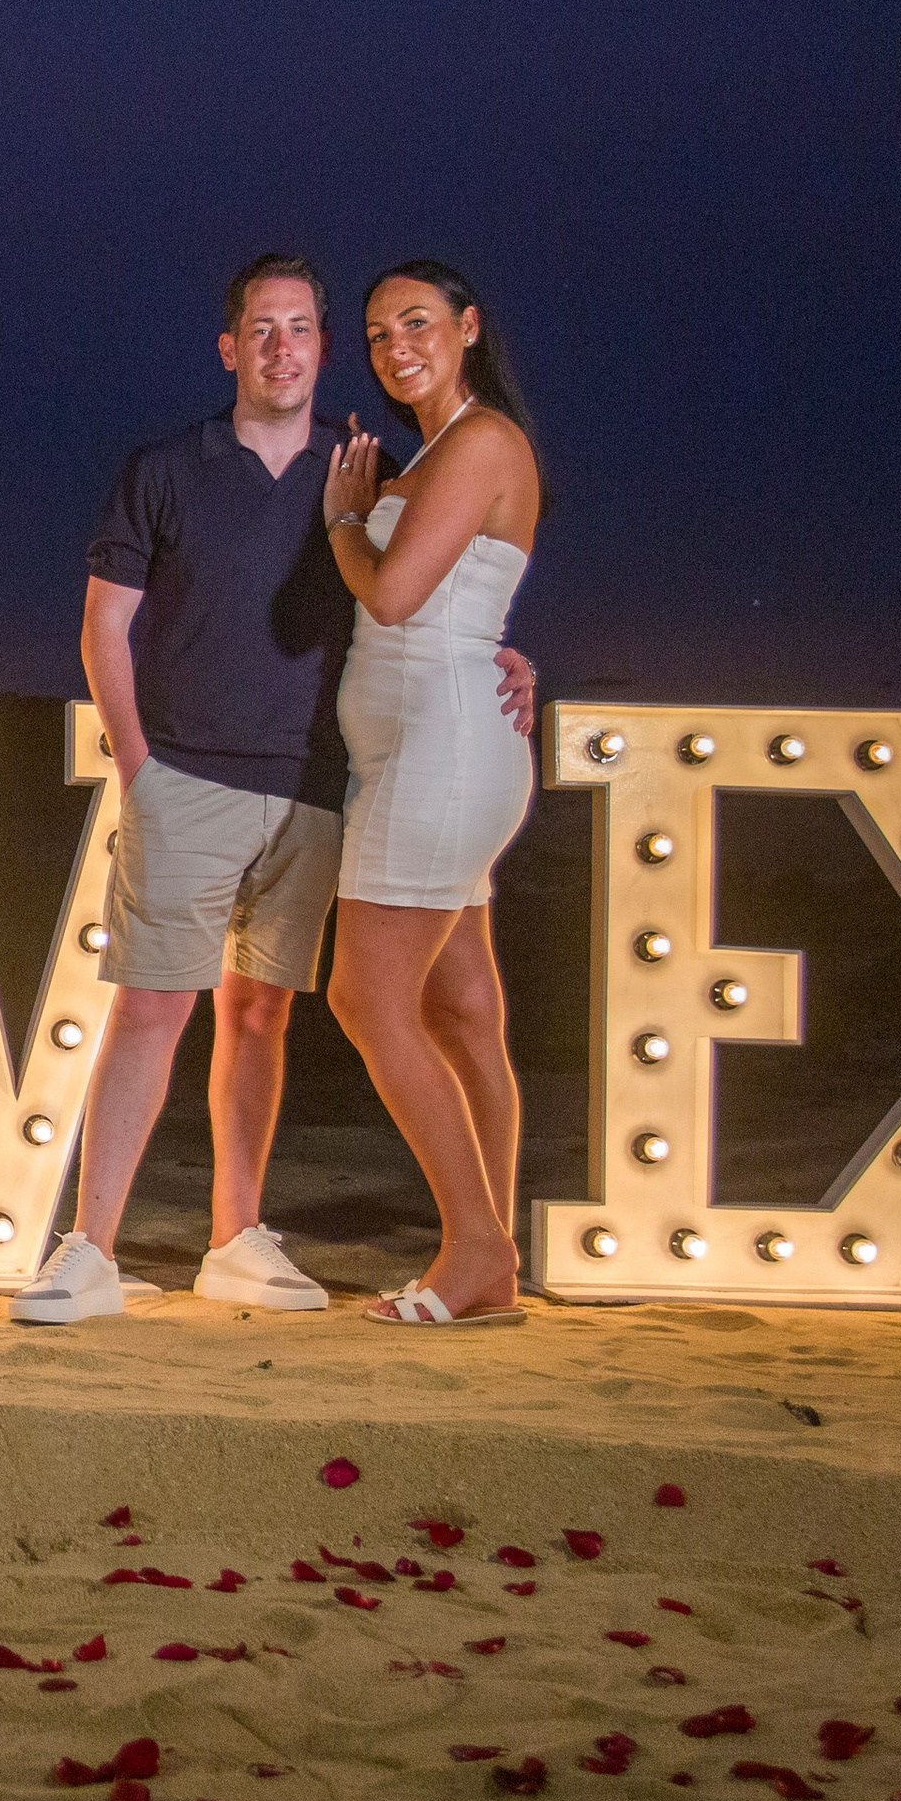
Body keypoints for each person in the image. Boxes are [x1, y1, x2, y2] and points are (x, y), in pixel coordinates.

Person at [14, 255, 533, 1325]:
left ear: (319, 348)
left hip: (321, 787)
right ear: (229, 346)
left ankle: (251, 1236)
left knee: (271, 1015)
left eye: (302, 329)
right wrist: (136, 763)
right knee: (166, 1008)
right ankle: (89, 1246)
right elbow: (105, 620)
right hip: (198, 773)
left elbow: (428, 589)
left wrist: (506, 661)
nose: (282, 348)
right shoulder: (175, 467)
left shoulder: (370, 467)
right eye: (261, 329)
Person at [320, 259, 541, 1328]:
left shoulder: (484, 441)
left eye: (415, 321)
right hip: (429, 751)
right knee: (459, 1010)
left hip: (443, 753)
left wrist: (340, 527)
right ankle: (490, 1257)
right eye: (374, 333)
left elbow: (401, 596)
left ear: (466, 324)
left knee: (364, 998)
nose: (394, 344)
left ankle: (474, 1247)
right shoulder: (434, 458)